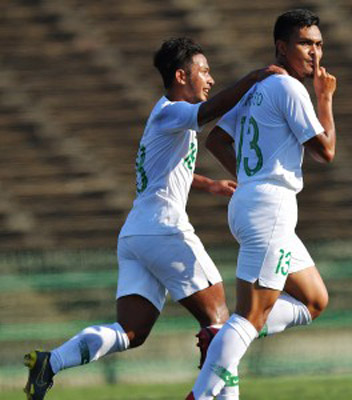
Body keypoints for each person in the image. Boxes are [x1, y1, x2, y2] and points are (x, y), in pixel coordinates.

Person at [23, 37, 285, 400]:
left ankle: (50, 362)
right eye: (203, 71)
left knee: (131, 330)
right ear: (181, 76)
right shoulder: (172, 111)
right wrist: (253, 78)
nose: (210, 79)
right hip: (164, 228)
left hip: (136, 234)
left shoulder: (163, 119)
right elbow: (205, 114)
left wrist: (209, 184)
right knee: (221, 322)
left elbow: (166, 170)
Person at [186, 9, 337, 399]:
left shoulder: (260, 87)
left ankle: (224, 335)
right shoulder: (288, 88)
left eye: (319, 44)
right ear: (282, 47)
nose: (315, 53)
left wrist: (250, 177)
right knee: (250, 318)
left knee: (314, 299)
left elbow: (217, 140)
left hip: (257, 204)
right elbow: (326, 151)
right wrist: (325, 99)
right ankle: (201, 393)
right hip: (270, 208)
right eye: (306, 43)